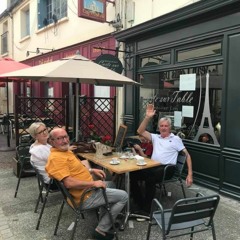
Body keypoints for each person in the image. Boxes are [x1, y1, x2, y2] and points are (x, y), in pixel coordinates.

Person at [45, 128, 128, 240]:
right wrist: (93, 183)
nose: (64, 141)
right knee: (124, 196)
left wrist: (91, 171)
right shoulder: (57, 158)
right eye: (59, 138)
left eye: (65, 137)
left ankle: (104, 221)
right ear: (52, 141)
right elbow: (69, 183)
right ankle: (101, 230)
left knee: (111, 184)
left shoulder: (64, 151)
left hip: (84, 191)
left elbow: (75, 170)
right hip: (84, 197)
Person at [130, 104, 193, 213]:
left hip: (167, 168)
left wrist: (190, 174)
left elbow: (187, 155)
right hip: (153, 166)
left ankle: (146, 209)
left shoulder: (176, 139)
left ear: (170, 127)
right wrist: (147, 117)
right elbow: (140, 131)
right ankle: (139, 203)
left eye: (166, 126)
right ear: (159, 127)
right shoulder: (155, 137)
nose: (164, 128)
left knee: (150, 178)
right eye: (161, 126)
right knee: (133, 174)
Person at [28, 122, 59, 190]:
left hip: (48, 180)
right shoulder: (40, 149)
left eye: (45, 129)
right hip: (53, 182)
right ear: (35, 136)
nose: (45, 132)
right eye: (41, 132)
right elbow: (59, 161)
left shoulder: (37, 145)